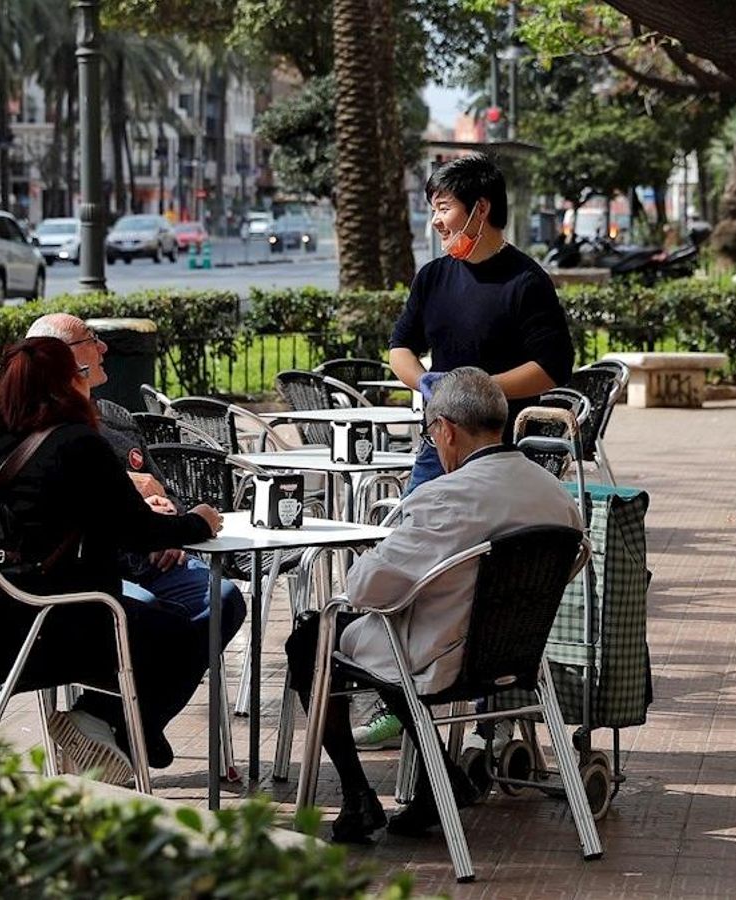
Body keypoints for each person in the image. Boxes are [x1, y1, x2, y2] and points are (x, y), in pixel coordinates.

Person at [284, 369, 583, 843]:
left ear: (444, 430)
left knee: (311, 636)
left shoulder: (446, 497)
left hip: (440, 656)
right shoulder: (555, 494)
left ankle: (358, 796)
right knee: (389, 641)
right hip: (517, 656)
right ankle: (438, 778)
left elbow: (364, 589)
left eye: (430, 433)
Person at [373, 154, 574, 753]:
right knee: (413, 566)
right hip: (438, 451)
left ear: (479, 209)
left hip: (499, 458)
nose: (436, 221)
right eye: (432, 208)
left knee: (494, 583)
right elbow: (400, 348)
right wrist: (426, 385)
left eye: (443, 208)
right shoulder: (433, 278)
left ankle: (496, 714)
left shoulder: (525, 281)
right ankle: (401, 697)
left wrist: (477, 390)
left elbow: (550, 366)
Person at [0, 337, 225, 784]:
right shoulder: (76, 444)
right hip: (60, 620)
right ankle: (111, 725)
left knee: (173, 617)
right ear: (68, 382)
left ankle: (118, 728)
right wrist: (200, 522)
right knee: (190, 629)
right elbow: (136, 531)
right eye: (79, 375)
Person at [24, 314, 246, 647]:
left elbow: (163, 489)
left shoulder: (117, 418)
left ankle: (147, 690)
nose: (103, 347)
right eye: (90, 339)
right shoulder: (36, 430)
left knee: (224, 597)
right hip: (90, 570)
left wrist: (170, 524)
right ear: (61, 356)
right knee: (149, 618)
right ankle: (129, 694)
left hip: (154, 559)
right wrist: (132, 496)